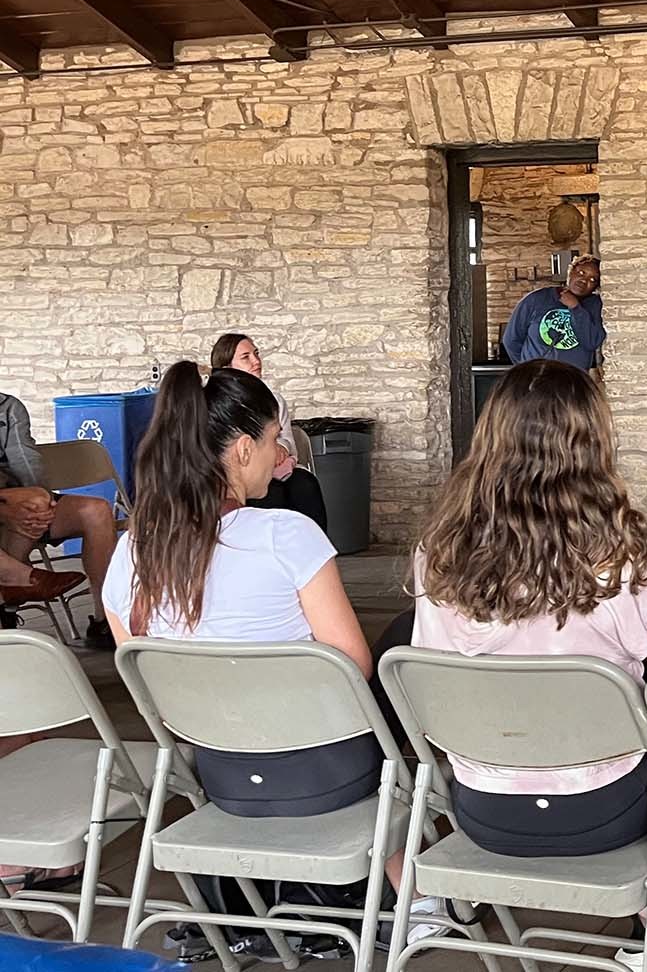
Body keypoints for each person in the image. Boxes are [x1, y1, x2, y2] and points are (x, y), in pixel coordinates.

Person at [98, 363, 441, 947]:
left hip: (222, 774)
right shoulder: (286, 533)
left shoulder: (132, 550)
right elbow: (350, 667)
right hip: (324, 773)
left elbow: (145, 681)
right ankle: (416, 885)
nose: (280, 451)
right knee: (409, 631)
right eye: (274, 437)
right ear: (240, 448)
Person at [410, 359, 647, 858]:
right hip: (606, 806)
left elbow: (429, 682)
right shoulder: (619, 559)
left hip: (483, 806)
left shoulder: (439, 556)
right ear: (592, 445)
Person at [0, 389, 116, 648]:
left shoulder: (8, 407)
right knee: (26, 506)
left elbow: (26, 459)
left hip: (16, 496)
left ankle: (105, 620)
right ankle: (8, 595)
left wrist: (39, 498)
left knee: (96, 511)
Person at [210, 334, 328, 531]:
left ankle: (314, 549)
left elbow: (289, 442)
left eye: (256, 354)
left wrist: (280, 446)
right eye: (246, 357)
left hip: (281, 467)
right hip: (243, 475)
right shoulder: (221, 404)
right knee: (271, 494)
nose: (256, 361)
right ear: (227, 368)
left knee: (305, 486)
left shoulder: (275, 400)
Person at [502, 255, 605, 372]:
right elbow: (511, 340)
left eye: (592, 280)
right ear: (570, 272)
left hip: (572, 381)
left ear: (596, 286)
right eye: (581, 272)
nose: (584, 280)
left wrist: (575, 307)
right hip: (535, 380)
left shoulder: (596, 306)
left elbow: (592, 341)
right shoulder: (537, 299)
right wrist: (526, 369)